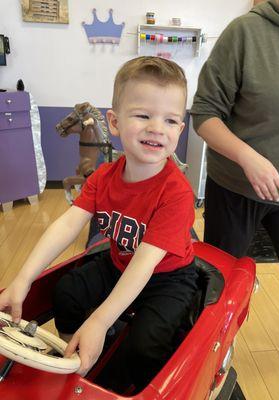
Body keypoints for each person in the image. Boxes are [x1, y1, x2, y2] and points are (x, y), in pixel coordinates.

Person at [0, 56, 199, 390]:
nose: (156, 127)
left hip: (169, 278)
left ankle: (111, 385)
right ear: (115, 121)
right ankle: (78, 358)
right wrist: (22, 279)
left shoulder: (177, 193)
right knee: (67, 293)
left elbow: (145, 266)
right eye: (143, 115)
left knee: (145, 345)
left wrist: (100, 318)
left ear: (180, 130)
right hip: (120, 263)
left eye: (170, 120)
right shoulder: (105, 175)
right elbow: (66, 225)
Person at [191, 0, 279, 323]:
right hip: (234, 189)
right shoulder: (244, 32)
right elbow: (204, 114)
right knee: (219, 286)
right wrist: (248, 157)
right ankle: (213, 354)